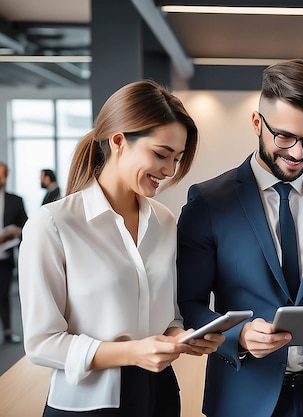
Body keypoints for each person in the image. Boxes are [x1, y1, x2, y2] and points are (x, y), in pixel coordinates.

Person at [177, 59, 303, 417]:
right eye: (284, 136)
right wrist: (238, 335)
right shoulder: (208, 201)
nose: (299, 153)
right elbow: (189, 303)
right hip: (241, 395)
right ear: (257, 123)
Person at [18, 80, 225, 417]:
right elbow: (41, 343)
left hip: (160, 395)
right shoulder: (53, 224)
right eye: (161, 154)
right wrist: (133, 353)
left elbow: (167, 314)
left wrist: (182, 336)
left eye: (177, 158)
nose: (170, 171)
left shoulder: (165, 221)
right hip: (88, 405)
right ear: (118, 141)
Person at [0, 162, 28, 344]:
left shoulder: (15, 200)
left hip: (5, 258)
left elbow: (26, 226)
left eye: (3, 175)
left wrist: (17, 231)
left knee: (3, 295)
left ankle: (8, 331)